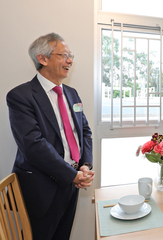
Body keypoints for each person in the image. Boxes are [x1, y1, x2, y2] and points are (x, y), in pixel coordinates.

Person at [6, 33, 95, 240]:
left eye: (71, 55)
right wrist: (71, 174)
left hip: (72, 183)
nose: (70, 60)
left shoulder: (72, 93)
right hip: (41, 187)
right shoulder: (20, 96)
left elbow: (84, 132)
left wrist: (85, 166)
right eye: (64, 55)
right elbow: (33, 145)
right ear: (42, 58)